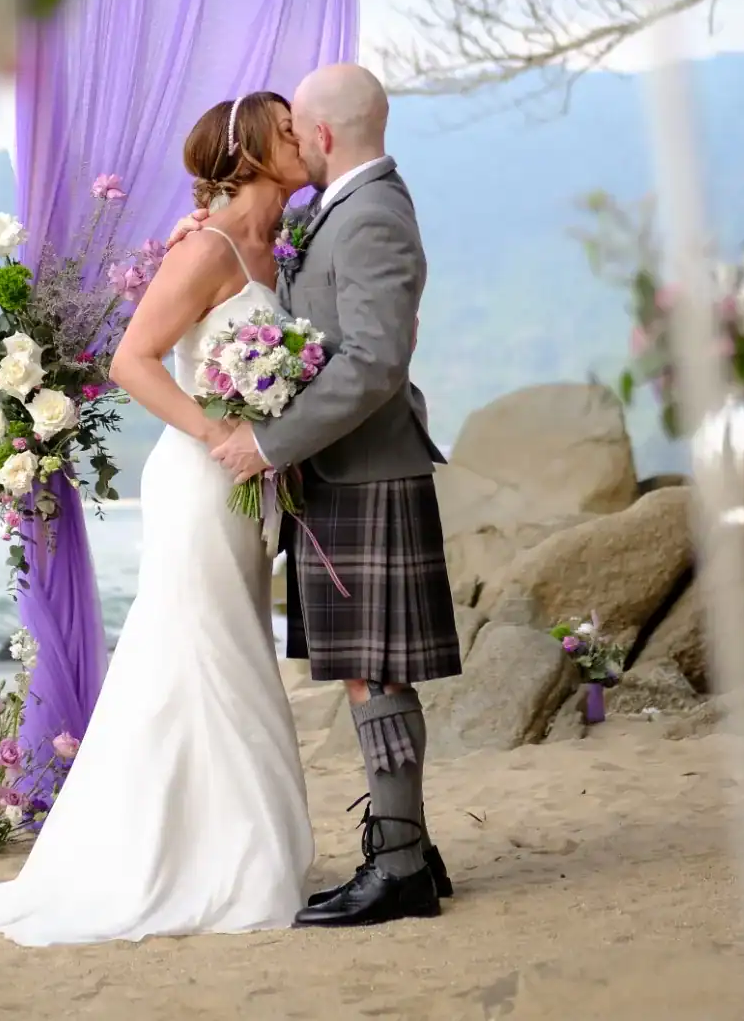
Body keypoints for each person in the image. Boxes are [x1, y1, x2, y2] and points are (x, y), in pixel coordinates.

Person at [0, 91, 314, 947]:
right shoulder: (206, 250)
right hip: (203, 483)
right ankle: (198, 861)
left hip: (251, 489)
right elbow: (132, 360)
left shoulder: (277, 251)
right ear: (247, 149)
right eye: (286, 130)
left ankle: (218, 846)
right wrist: (221, 434)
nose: (302, 138)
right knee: (202, 657)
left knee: (223, 650)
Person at [178, 61, 461, 928]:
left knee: (373, 673)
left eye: (299, 130)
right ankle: (407, 846)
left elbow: (375, 361)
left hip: (361, 466)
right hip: (342, 469)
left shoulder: (370, 212)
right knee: (362, 670)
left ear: (324, 135)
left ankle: (402, 863)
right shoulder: (338, 209)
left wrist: (266, 444)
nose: (294, 143)